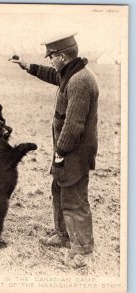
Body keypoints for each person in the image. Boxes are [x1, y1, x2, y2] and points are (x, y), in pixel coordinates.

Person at [9, 34, 99, 268]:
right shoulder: (71, 73)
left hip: (74, 152)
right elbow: (53, 75)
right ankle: (63, 236)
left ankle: (82, 253)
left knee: (74, 198)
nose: (49, 60)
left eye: (50, 56)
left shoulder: (80, 81)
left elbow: (74, 125)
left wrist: (60, 153)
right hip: (66, 150)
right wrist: (27, 67)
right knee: (58, 190)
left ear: (62, 55)